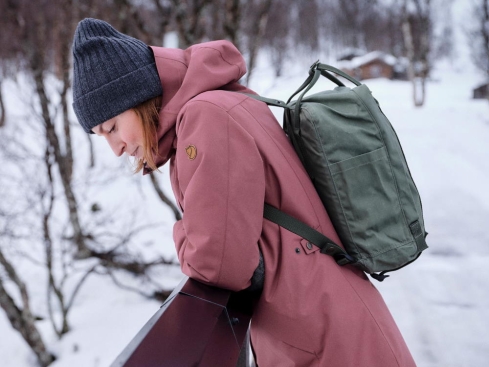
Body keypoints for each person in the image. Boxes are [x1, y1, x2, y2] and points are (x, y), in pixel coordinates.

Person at [72, 18, 417, 367]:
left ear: (140, 97)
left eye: (112, 128)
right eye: (101, 136)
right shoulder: (218, 104)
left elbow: (218, 264)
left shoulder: (205, 117)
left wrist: (181, 231)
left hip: (326, 336)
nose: (115, 148)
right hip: (318, 320)